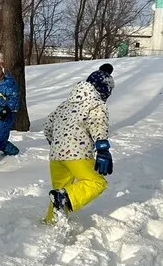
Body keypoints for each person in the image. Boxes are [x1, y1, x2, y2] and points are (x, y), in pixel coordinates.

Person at [43, 63, 114, 223]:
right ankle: (65, 198)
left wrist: (57, 143)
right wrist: (102, 149)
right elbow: (98, 124)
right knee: (96, 182)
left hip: (56, 156)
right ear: (104, 90)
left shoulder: (65, 104)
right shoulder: (97, 104)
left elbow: (47, 126)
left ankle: (50, 223)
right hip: (78, 154)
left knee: (58, 190)